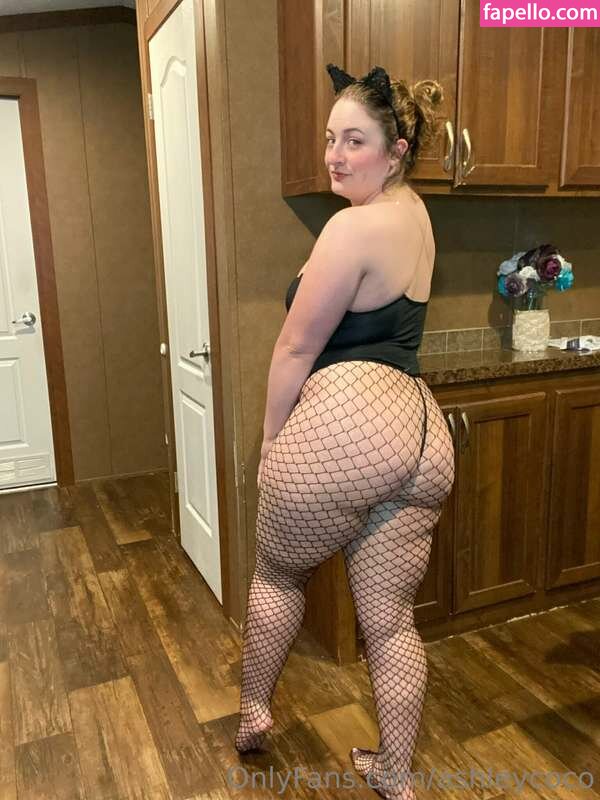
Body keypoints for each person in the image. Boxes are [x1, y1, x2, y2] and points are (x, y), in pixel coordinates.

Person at [234, 63, 455, 800]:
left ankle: (254, 714)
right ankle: (395, 774)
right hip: (421, 432)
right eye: (330, 138)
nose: (334, 155)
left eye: (354, 140)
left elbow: (296, 348)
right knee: (390, 622)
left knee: (277, 574)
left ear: (395, 151)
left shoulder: (351, 226)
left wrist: (272, 443)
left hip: (348, 424)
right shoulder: (416, 214)